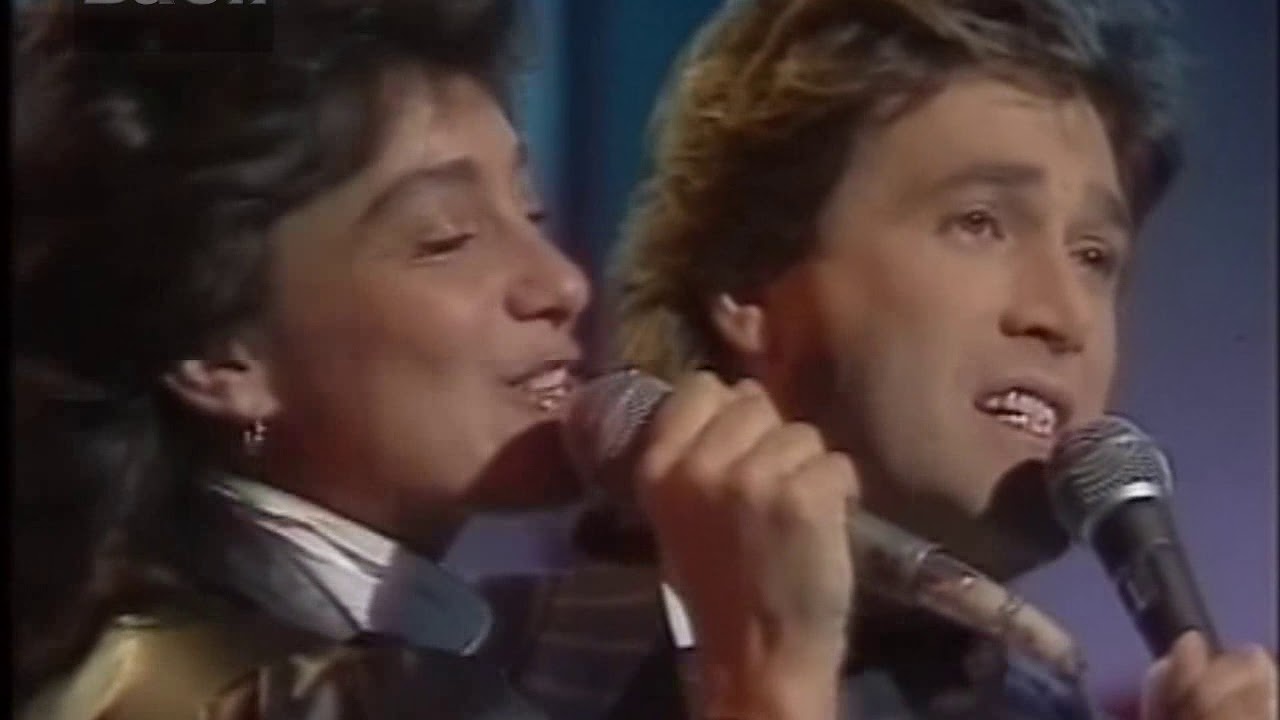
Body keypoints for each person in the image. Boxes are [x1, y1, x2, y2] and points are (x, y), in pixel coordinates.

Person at [14, 0, 861, 718]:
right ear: (220, 354)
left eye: (529, 211)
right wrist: (766, 670)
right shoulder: (263, 695)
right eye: (447, 239)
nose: (562, 284)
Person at [496, 0, 1279, 719]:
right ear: (751, 281)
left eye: (1095, 256)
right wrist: (763, 681)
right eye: (980, 223)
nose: (1065, 315)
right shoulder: (503, 674)